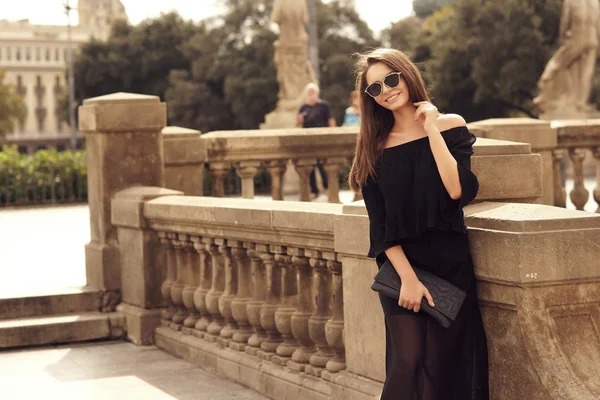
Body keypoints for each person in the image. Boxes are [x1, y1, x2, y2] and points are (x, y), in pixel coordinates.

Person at [347, 48, 489, 400]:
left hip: (448, 264)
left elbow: (457, 189)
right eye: (375, 88)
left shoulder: (450, 126)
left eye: (391, 79)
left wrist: (432, 129)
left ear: (407, 75)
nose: (386, 90)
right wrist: (408, 280)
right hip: (401, 270)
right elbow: (379, 227)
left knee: (440, 366)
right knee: (408, 361)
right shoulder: (372, 148)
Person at [297, 83, 336, 199]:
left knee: (323, 165)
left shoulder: (324, 106)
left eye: (312, 92)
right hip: (308, 142)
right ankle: (314, 190)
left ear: (317, 93)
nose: (311, 95)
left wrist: (333, 136)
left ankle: (327, 188)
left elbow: (331, 121)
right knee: (310, 167)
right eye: (309, 93)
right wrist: (299, 120)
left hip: (322, 140)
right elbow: (297, 124)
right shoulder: (303, 108)